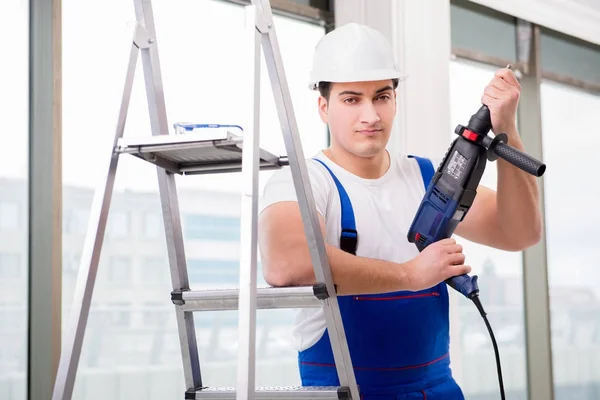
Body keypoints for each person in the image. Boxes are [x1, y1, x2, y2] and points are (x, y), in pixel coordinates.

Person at [257, 22, 542, 400]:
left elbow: (520, 231)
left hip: (437, 390)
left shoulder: (427, 178)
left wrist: (506, 124)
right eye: (351, 99)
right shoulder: (305, 179)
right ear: (323, 107)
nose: (371, 115)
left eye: (382, 96)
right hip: (345, 393)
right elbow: (286, 265)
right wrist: (410, 274)